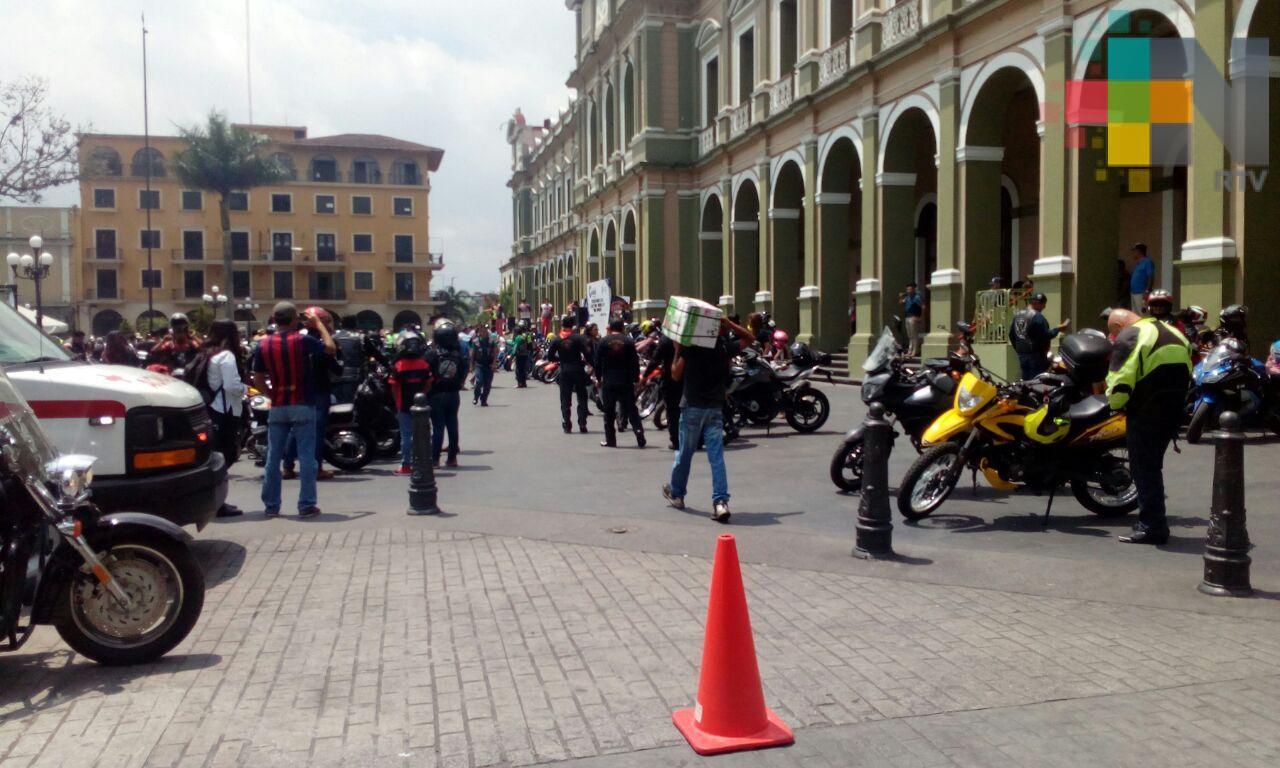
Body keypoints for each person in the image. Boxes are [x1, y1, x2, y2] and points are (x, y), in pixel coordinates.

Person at [1105, 311, 1193, 545]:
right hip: (1172, 411)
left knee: (1144, 469)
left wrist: (1115, 405)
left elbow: (1120, 380)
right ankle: (1154, 521)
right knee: (1152, 467)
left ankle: (1153, 525)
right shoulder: (1175, 332)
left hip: (1145, 411)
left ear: (1118, 324)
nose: (1115, 337)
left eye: (1114, 332)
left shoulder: (1131, 335)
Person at [663, 316, 754, 523]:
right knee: (716, 457)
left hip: (692, 408)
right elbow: (749, 338)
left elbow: (675, 374)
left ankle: (677, 494)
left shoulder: (692, 347)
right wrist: (729, 324)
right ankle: (721, 503)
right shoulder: (724, 348)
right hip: (714, 409)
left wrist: (678, 349)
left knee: (684, 453)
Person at [252, 302, 336, 518]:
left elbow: (258, 378)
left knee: (273, 458)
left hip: (278, 405)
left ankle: (271, 505)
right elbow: (330, 348)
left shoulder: (263, 344)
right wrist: (319, 324)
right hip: (302, 403)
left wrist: (271, 394)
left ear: (274, 319)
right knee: (307, 457)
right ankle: (306, 504)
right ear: (294, 320)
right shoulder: (302, 340)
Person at [282, 307, 342, 481]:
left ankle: (287, 466)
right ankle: (316, 468)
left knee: (295, 428)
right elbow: (337, 366)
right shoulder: (321, 341)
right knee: (317, 429)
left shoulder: (297, 338)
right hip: (318, 390)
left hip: (298, 390)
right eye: (326, 321)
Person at [199, 319, 247, 517]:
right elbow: (231, 385)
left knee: (215, 456)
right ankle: (217, 503)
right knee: (225, 456)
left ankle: (213, 501)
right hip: (224, 410)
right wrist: (245, 389)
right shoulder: (226, 356)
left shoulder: (207, 353)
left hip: (210, 408)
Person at [594, 318, 646, 448]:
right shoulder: (628, 341)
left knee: (609, 412)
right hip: (626, 380)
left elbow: (597, 362)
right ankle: (639, 433)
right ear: (622, 328)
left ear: (610, 328)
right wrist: (636, 380)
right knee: (631, 409)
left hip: (609, 381)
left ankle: (610, 440)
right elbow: (634, 362)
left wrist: (598, 379)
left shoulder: (603, 341)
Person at [388, 330, 431, 475]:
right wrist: (422, 395)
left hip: (404, 405)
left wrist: (397, 403)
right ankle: (424, 462)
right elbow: (429, 383)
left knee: (406, 436)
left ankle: (406, 465)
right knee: (423, 434)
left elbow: (393, 386)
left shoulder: (399, 365)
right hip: (421, 405)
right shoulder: (423, 364)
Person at [425, 319, 466, 467]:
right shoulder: (457, 355)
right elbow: (463, 372)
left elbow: (425, 373)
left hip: (436, 394)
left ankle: (435, 458)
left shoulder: (432, 354)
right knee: (452, 425)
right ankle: (452, 458)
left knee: (438, 427)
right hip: (453, 394)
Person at [1009, 293, 1068, 380]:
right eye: (1043, 304)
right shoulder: (1038, 317)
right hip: (1036, 356)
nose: (1044, 307)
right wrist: (1058, 329)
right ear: (1036, 303)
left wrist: (1019, 350)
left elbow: (1011, 335)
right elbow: (1046, 335)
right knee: (1036, 382)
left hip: (1022, 355)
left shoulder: (1018, 315)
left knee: (1026, 381)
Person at [548, 315, 592, 433]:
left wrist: (559, 359)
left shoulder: (557, 339)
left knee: (565, 399)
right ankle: (582, 423)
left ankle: (567, 424)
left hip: (564, 371)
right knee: (582, 397)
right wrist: (590, 363)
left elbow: (550, 356)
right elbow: (587, 353)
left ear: (562, 325)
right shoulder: (578, 338)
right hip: (578, 370)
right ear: (572, 325)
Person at [332, 315, 366, 404]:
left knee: (337, 402)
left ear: (341, 324)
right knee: (352, 402)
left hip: (336, 376)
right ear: (356, 325)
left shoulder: (333, 337)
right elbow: (375, 354)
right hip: (354, 375)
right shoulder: (360, 338)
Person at [470, 325, 497, 406]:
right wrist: (471, 365)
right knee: (479, 381)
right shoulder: (475, 341)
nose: (483, 332)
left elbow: (495, 352)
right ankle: (476, 396)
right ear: (478, 332)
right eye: (481, 331)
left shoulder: (491, 341)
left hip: (489, 365)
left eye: (484, 330)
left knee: (487, 384)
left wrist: (494, 363)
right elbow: (472, 354)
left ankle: (483, 399)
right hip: (479, 365)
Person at [900, 283, 924, 357]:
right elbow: (901, 303)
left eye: (910, 289)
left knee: (914, 335)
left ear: (914, 289)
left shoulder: (916, 297)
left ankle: (915, 351)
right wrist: (901, 297)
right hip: (907, 317)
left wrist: (921, 317)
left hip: (914, 317)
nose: (908, 291)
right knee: (910, 336)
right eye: (907, 289)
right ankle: (910, 351)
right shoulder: (907, 297)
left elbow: (923, 306)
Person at [1128, 243, 1154, 312]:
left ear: (1139, 251)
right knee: (1135, 315)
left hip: (1142, 293)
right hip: (1134, 293)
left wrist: (1147, 291)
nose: (1133, 253)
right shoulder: (1138, 263)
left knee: (1143, 314)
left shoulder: (1147, 262)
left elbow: (1150, 277)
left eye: (1134, 251)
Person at [512, 321, 535, 387]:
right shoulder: (528, 335)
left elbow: (514, 343)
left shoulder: (518, 336)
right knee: (523, 368)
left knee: (519, 369)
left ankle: (520, 383)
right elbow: (530, 344)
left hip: (520, 354)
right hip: (526, 353)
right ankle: (524, 383)